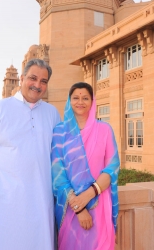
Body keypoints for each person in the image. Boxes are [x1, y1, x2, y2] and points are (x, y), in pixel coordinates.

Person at [0, 59, 61, 250]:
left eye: (43, 81)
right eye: (33, 78)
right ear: (21, 78)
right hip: (4, 201)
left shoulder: (52, 114)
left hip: (41, 200)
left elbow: (59, 156)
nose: (37, 85)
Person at [51, 82, 120, 250]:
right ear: (69, 101)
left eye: (85, 98)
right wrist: (79, 208)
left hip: (99, 202)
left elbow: (112, 167)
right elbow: (57, 175)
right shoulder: (60, 132)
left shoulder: (104, 129)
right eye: (75, 97)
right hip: (71, 207)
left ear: (92, 101)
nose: (80, 102)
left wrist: (89, 194)